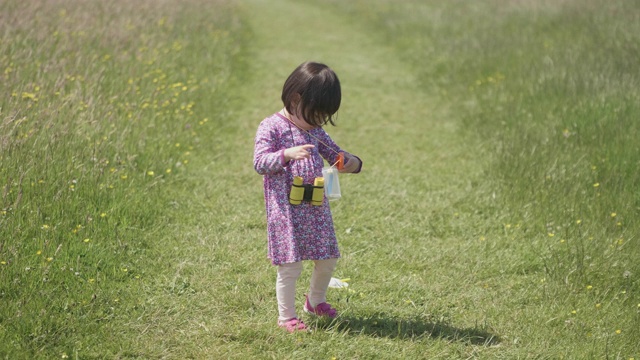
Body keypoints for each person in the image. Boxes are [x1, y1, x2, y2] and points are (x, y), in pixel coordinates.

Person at [253, 61, 362, 332]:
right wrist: (285, 155)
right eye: (315, 115)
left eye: (323, 118)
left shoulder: (314, 130)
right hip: (286, 212)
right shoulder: (271, 127)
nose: (318, 123)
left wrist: (350, 162)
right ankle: (286, 317)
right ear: (295, 99)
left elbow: (336, 154)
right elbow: (260, 162)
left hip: (315, 207)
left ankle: (315, 301)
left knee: (327, 259)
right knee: (290, 266)